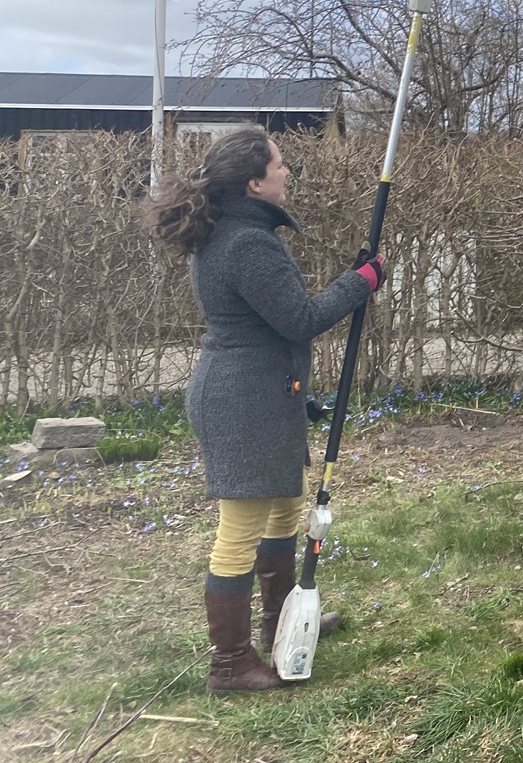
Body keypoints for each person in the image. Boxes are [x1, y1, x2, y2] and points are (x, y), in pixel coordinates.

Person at [147, 127, 385, 693]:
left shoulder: (235, 232)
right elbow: (299, 319)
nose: (287, 173)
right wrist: (361, 282)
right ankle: (230, 664)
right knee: (240, 529)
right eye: (280, 166)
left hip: (265, 393)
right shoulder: (246, 243)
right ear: (255, 182)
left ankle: (280, 622)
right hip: (242, 402)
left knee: (285, 506)